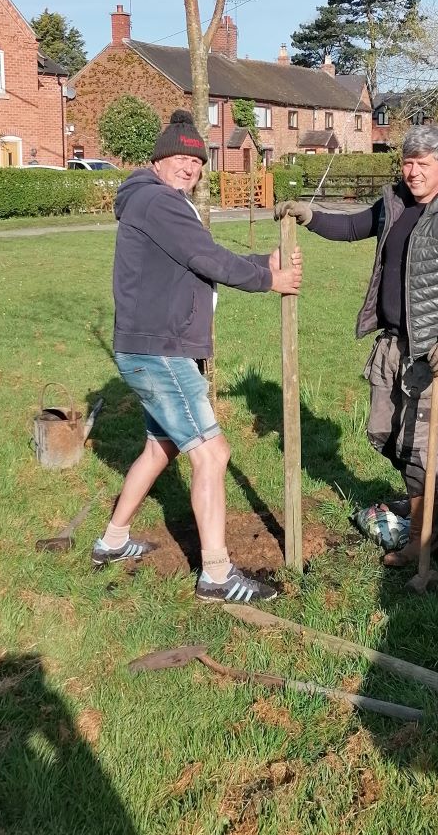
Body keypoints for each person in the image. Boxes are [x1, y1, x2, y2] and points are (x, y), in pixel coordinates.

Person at [96, 108, 302, 602]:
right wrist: (269, 280)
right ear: (159, 160)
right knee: (212, 454)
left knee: (160, 447)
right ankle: (215, 575)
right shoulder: (159, 202)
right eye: (180, 159)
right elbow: (205, 258)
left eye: (198, 162)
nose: (190, 168)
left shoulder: (152, 201)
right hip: (159, 351)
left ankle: (112, 541)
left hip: (147, 347)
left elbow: (195, 258)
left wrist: (260, 262)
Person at [276, 124, 438, 566]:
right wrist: (310, 215)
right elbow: (353, 225)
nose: (412, 173)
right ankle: (430, 505)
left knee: (417, 447)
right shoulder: (394, 203)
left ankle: (422, 537)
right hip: (390, 344)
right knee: (382, 433)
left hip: (429, 352)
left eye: (421, 164)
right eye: (407, 163)